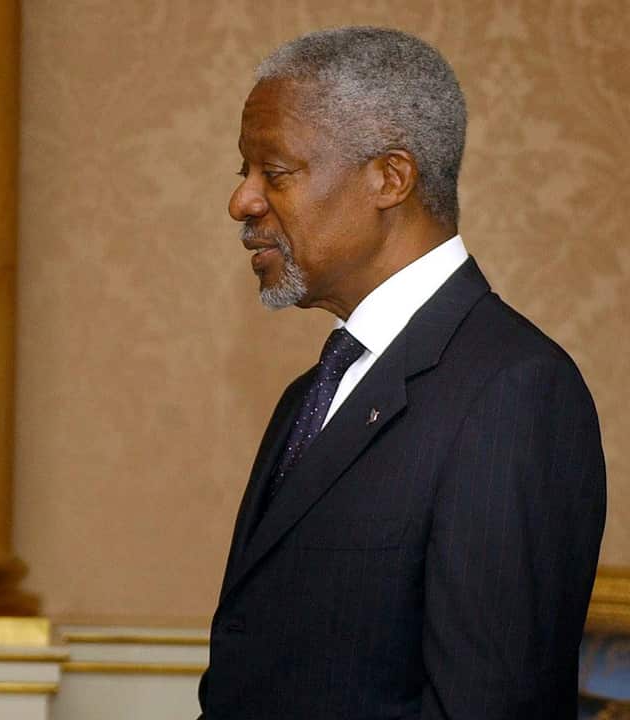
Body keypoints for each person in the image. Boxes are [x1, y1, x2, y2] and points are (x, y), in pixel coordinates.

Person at [199, 27, 606, 719]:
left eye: (275, 172)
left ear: (391, 177)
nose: (242, 201)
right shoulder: (315, 391)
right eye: (244, 172)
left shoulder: (514, 392)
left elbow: (488, 703)